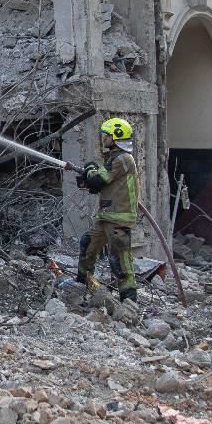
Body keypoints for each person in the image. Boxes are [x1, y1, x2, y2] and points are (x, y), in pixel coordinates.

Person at [74, 117, 139, 302]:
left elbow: (98, 180)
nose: (103, 139)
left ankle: (129, 300)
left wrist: (90, 171)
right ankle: (82, 285)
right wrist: (89, 175)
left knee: (119, 260)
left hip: (119, 218)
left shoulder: (122, 159)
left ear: (116, 137)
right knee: (88, 245)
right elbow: (97, 185)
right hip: (106, 216)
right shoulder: (112, 158)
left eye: (106, 135)